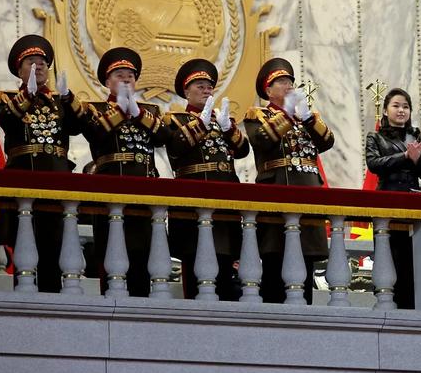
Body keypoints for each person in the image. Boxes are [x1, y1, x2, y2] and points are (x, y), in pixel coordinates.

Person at [0, 34, 85, 292]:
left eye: (43, 62)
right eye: (31, 62)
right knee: (24, 241)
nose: (40, 65)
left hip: (55, 177)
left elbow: (79, 127)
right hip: (23, 176)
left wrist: (68, 98)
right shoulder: (7, 97)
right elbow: (7, 120)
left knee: (54, 242)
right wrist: (28, 95)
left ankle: (52, 296)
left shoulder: (59, 101)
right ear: (20, 70)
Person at [243, 57, 335, 304]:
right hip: (277, 191)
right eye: (282, 82)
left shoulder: (305, 117)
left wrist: (308, 118)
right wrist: (286, 115)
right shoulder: (258, 114)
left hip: (308, 192)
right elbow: (262, 140)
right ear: (268, 90)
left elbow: (327, 141)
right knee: (275, 261)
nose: (289, 86)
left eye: (290, 81)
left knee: (305, 262)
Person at [82, 47, 171, 297]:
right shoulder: (96, 108)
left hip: (144, 189)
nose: (126, 80)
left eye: (130, 76)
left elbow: (165, 138)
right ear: (107, 81)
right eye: (119, 75)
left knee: (143, 253)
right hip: (111, 188)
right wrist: (119, 112)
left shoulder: (149, 111)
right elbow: (95, 135)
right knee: (112, 252)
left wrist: (138, 113)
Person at [164, 59, 250, 301]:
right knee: (195, 261)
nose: (206, 90)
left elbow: (243, 150)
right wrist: (200, 124)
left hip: (224, 199)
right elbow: (176, 147)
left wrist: (228, 128)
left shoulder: (221, 120)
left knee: (224, 259)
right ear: (186, 92)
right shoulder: (175, 119)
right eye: (200, 86)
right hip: (193, 201)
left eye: (209, 87)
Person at [365, 88, 421, 308]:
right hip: (387, 200)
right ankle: (386, 303)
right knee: (388, 255)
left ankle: (411, 307)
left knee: (411, 258)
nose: (401, 110)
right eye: (396, 105)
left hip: (412, 203)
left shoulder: (416, 136)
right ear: (385, 110)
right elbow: (374, 164)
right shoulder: (375, 137)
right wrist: (404, 156)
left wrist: (415, 160)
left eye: (405, 106)